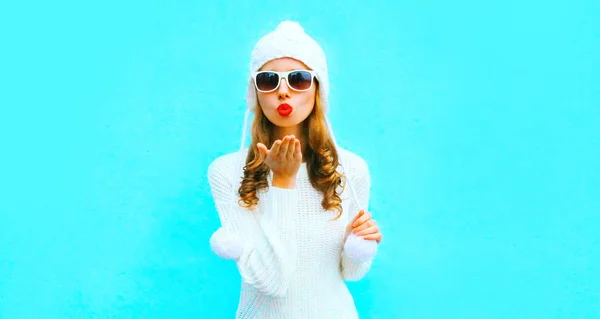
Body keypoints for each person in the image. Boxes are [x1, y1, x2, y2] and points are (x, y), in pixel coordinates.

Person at [207, 20, 383, 319]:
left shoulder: (350, 168)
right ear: (256, 93)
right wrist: (283, 182)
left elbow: (352, 273)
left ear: (317, 89)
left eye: (298, 79)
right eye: (268, 80)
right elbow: (271, 282)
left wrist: (361, 242)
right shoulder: (227, 171)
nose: (283, 92)